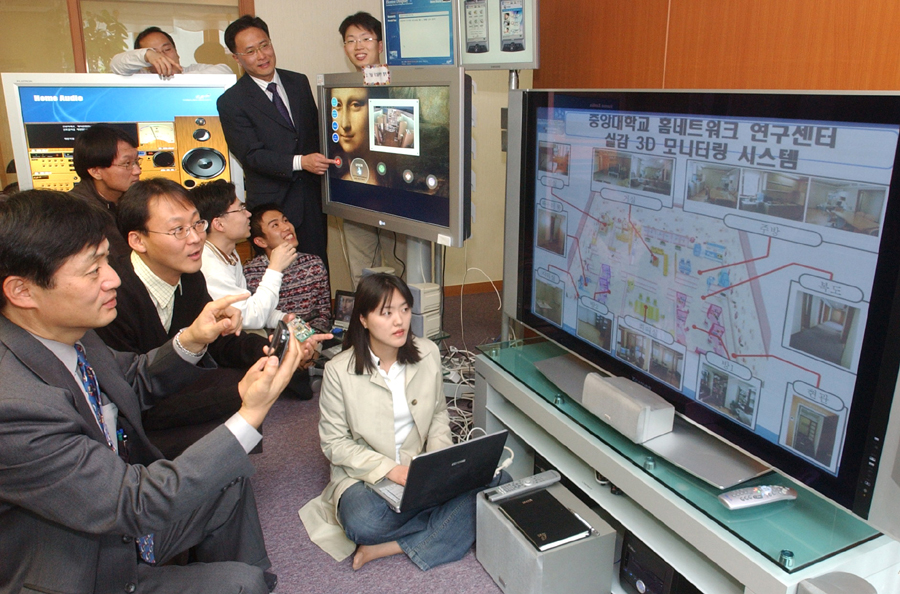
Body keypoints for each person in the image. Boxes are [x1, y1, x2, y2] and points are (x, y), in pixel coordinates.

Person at [0, 189, 304, 594]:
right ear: (21, 291)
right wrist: (250, 414)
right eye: (93, 270)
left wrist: (193, 338)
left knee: (229, 483)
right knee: (240, 583)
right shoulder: (14, 405)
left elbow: (132, 378)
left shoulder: (69, 333)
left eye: (107, 260)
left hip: (117, 523)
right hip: (80, 568)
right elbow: (133, 502)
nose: (112, 278)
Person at [95, 179, 327, 455]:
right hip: (132, 422)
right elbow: (135, 401)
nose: (195, 238)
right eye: (178, 230)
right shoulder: (111, 298)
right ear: (137, 240)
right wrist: (238, 392)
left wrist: (276, 350)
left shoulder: (192, 279)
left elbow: (221, 340)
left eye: (196, 224)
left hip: (175, 389)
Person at [299, 273, 506, 570]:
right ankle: (443, 526)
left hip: (419, 469)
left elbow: (437, 414)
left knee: (500, 481)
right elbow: (335, 444)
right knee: (362, 523)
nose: (399, 321)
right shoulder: (338, 371)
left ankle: (392, 546)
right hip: (366, 478)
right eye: (387, 312)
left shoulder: (428, 353)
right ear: (364, 319)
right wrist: (390, 470)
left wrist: (439, 460)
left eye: (404, 309)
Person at [217, 15, 333, 266]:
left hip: (311, 200)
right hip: (272, 206)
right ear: (236, 58)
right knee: (277, 276)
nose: (261, 55)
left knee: (316, 267)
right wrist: (301, 162)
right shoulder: (231, 101)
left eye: (264, 45)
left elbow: (314, 133)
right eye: (250, 51)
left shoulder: (298, 82)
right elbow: (251, 155)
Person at [337, 11, 407, 287]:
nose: (358, 46)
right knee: (362, 271)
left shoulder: (401, 85)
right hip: (356, 191)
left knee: (403, 267)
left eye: (366, 38)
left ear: (380, 44)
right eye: (350, 40)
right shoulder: (340, 89)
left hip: (397, 193)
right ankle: (366, 327)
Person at [192, 180, 297, 330]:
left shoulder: (229, 252)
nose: (248, 214)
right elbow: (249, 318)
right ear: (219, 224)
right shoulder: (209, 267)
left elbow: (247, 306)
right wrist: (275, 268)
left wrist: (281, 318)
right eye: (241, 209)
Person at [244, 203, 332, 333]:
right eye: (275, 225)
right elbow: (257, 319)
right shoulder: (251, 273)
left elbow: (323, 314)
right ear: (261, 241)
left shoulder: (313, 264)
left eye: (285, 220)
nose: (287, 227)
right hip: (271, 343)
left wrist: (311, 342)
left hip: (312, 340)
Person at [70, 124, 142, 256]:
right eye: (127, 164)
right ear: (96, 172)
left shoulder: (135, 199)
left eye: (137, 161)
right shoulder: (78, 217)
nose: (137, 171)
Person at [110, 26, 234, 77]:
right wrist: (148, 55)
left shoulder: (191, 70)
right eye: (155, 53)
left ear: (176, 52)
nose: (162, 56)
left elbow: (225, 71)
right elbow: (116, 64)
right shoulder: (142, 75)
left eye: (167, 49)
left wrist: (176, 78)